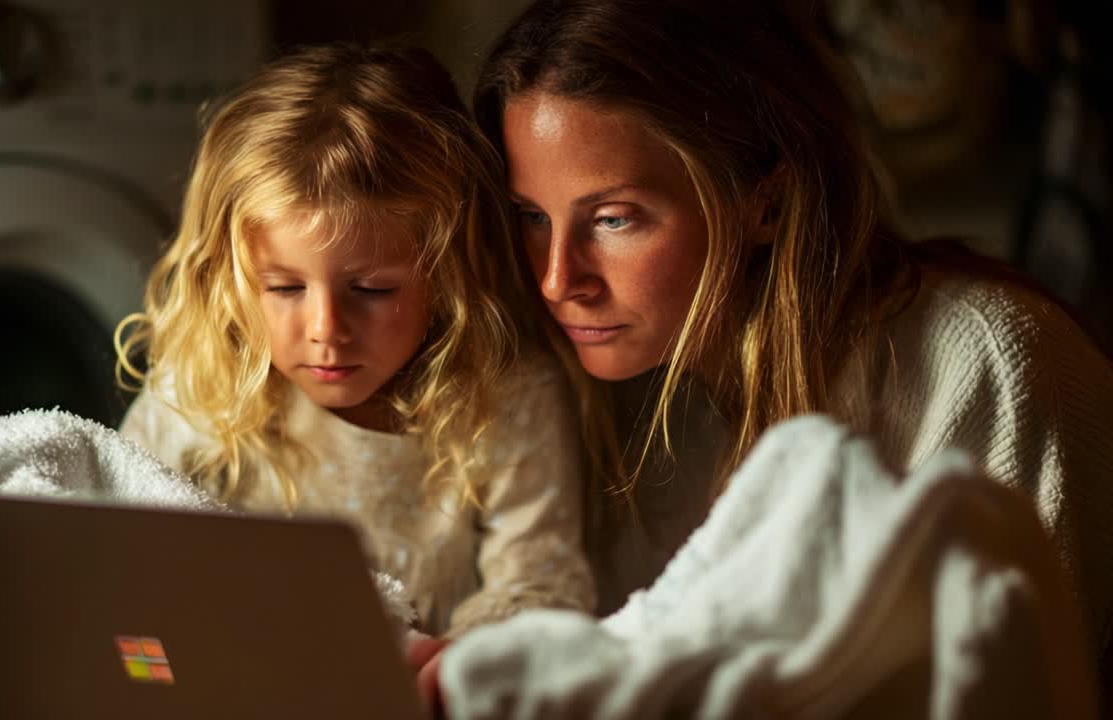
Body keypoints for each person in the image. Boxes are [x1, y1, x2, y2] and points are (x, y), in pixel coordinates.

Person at [465, 0, 1113, 699]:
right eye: (531, 217)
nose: (559, 279)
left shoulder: (992, 365)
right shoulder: (605, 391)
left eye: (615, 218)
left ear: (765, 202)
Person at [113, 43, 595, 649]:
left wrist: (441, 664)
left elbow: (542, 589)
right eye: (284, 287)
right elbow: (118, 557)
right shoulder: (202, 384)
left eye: (370, 289)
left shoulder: (506, 398)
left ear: (446, 275)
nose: (326, 329)